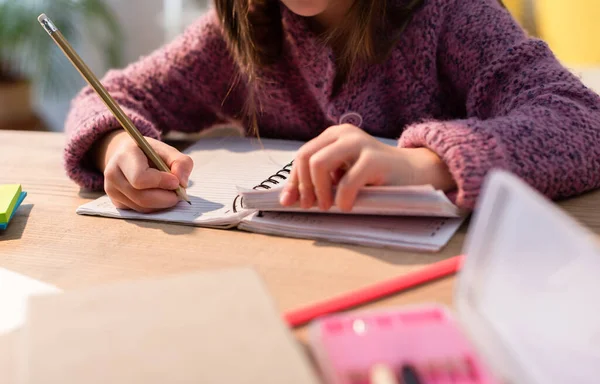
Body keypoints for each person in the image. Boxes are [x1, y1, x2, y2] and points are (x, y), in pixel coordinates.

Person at [64, 0, 600, 214]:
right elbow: (111, 96)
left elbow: (582, 123)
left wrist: (423, 164)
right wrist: (117, 144)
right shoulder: (247, 28)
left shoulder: (452, 13)